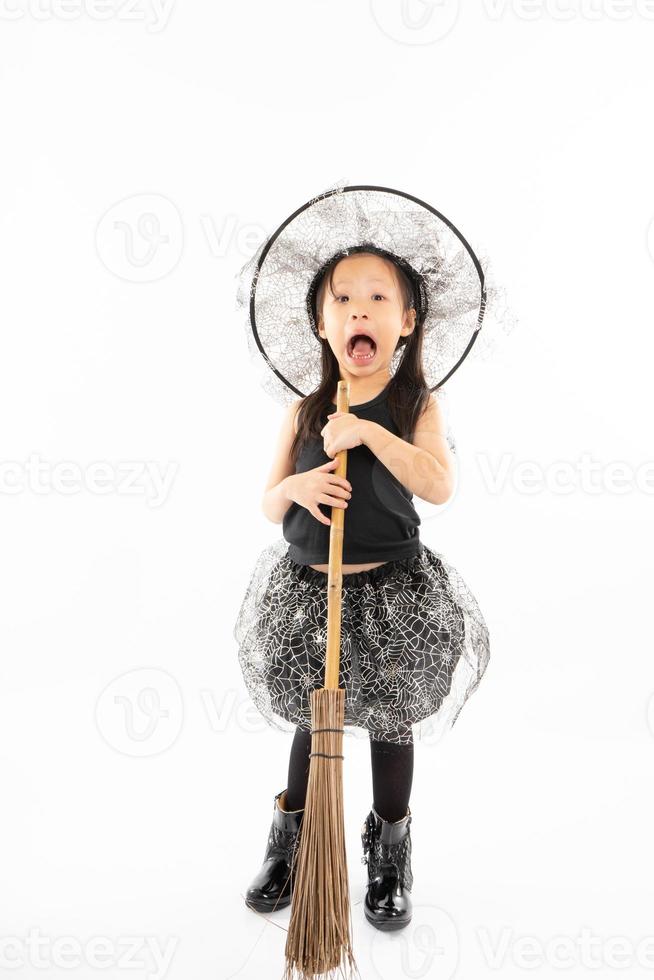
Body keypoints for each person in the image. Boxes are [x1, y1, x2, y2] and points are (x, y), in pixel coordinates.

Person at [233, 185, 494, 932]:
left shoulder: (415, 406)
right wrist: (297, 481)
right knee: (313, 722)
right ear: (320, 322)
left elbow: (438, 485)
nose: (359, 310)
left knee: (388, 723)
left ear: (406, 321)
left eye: (378, 297)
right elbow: (267, 503)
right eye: (342, 298)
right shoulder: (305, 409)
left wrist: (373, 437)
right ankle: (291, 843)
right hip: (310, 593)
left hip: (390, 593)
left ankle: (389, 849)